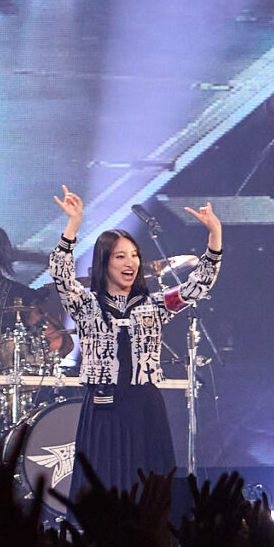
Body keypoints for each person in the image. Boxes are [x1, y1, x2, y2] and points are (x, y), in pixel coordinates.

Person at [48, 185, 223, 483]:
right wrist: (73, 225)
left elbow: (199, 285)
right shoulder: (87, 305)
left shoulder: (156, 304)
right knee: (102, 484)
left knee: (146, 487)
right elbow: (61, 277)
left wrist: (214, 236)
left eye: (134, 255)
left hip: (145, 408)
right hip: (103, 408)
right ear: (104, 262)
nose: (130, 262)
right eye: (120, 256)